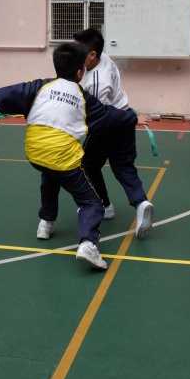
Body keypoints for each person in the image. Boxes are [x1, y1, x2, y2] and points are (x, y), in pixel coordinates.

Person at [0, 42, 138, 270]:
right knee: (92, 203)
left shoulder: (39, 86)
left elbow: (8, 93)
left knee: (50, 178)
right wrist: (132, 118)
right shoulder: (84, 98)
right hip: (62, 156)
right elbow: (108, 115)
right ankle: (88, 245)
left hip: (35, 152)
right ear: (80, 73)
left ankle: (45, 223)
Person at [73, 28, 154, 239]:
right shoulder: (104, 57)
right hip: (124, 116)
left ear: (92, 54)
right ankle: (141, 202)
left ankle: (103, 205)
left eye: (78, 51)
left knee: (87, 164)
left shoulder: (95, 83)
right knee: (124, 166)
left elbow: (99, 115)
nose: (74, 54)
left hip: (109, 122)